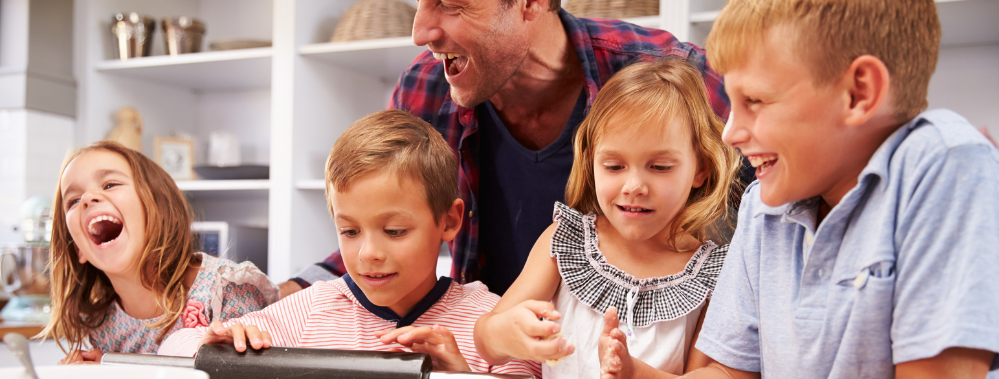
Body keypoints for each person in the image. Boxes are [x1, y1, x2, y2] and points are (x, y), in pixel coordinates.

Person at [548, 1, 999, 379]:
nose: (730, 132)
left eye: (755, 101)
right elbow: (726, 377)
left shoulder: (948, 164)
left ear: (858, 93)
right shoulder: (763, 208)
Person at [280, 0, 737, 298]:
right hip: (497, 366)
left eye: (450, 4)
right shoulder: (426, 87)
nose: (420, 31)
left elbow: (771, 228)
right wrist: (287, 295)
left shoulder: (675, 79)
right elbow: (383, 222)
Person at [159, 110, 549, 379]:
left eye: (394, 231)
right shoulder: (311, 310)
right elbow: (172, 347)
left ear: (449, 221)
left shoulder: (490, 318)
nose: (368, 254)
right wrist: (215, 347)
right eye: (349, 232)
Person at [472, 58, 741, 379]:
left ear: (700, 169)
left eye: (659, 167)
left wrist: (632, 375)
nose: (633, 185)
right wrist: (505, 335)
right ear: (591, 162)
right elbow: (485, 340)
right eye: (614, 166)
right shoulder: (564, 242)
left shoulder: (712, 276)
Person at [44, 141, 278, 362]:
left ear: (159, 210)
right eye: (73, 200)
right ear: (79, 249)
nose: (86, 198)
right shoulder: (102, 323)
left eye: (110, 184)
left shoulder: (226, 290)